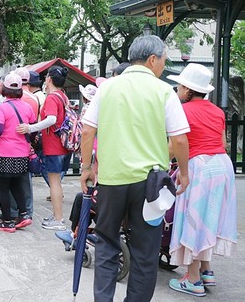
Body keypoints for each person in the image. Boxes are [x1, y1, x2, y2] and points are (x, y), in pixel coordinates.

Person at [80, 35, 191, 302]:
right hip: (150, 187)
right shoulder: (163, 91)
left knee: (107, 243)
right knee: (144, 251)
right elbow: (179, 139)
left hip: (111, 180)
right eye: (164, 61)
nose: (164, 67)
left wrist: (87, 168)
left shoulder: (107, 88)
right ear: (153, 59)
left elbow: (87, 130)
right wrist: (184, 174)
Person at [167, 63, 237, 297]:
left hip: (199, 166)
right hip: (222, 166)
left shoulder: (182, 110)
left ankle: (193, 279)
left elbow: (174, 146)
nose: (177, 89)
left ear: (187, 89)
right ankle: (207, 270)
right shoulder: (218, 111)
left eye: (179, 85)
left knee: (193, 220)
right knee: (210, 218)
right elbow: (224, 143)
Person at [17, 65, 72, 231]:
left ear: (49, 79)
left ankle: (58, 219)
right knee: (57, 182)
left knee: (54, 182)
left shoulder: (52, 97)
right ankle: (57, 215)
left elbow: (51, 119)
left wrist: (30, 128)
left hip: (54, 146)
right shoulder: (63, 96)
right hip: (63, 146)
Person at [0, 73, 35, 233]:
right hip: (22, 154)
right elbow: (32, 128)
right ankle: (24, 215)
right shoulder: (27, 107)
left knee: (4, 188)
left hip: (5, 154)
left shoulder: (2, 107)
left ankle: (7, 221)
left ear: (5, 89)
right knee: (17, 186)